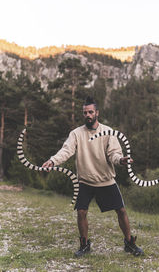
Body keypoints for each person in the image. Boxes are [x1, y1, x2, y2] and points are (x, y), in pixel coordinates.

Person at [42, 96, 144, 257]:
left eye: (90, 112)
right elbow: (66, 150)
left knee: (121, 211)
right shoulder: (76, 134)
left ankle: (129, 243)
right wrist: (53, 160)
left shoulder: (108, 132)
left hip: (106, 180)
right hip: (85, 181)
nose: (88, 115)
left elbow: (114, 154)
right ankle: (84, 245)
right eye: (85, 113)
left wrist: (121, 160)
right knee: (81, 212)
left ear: (97, 113)